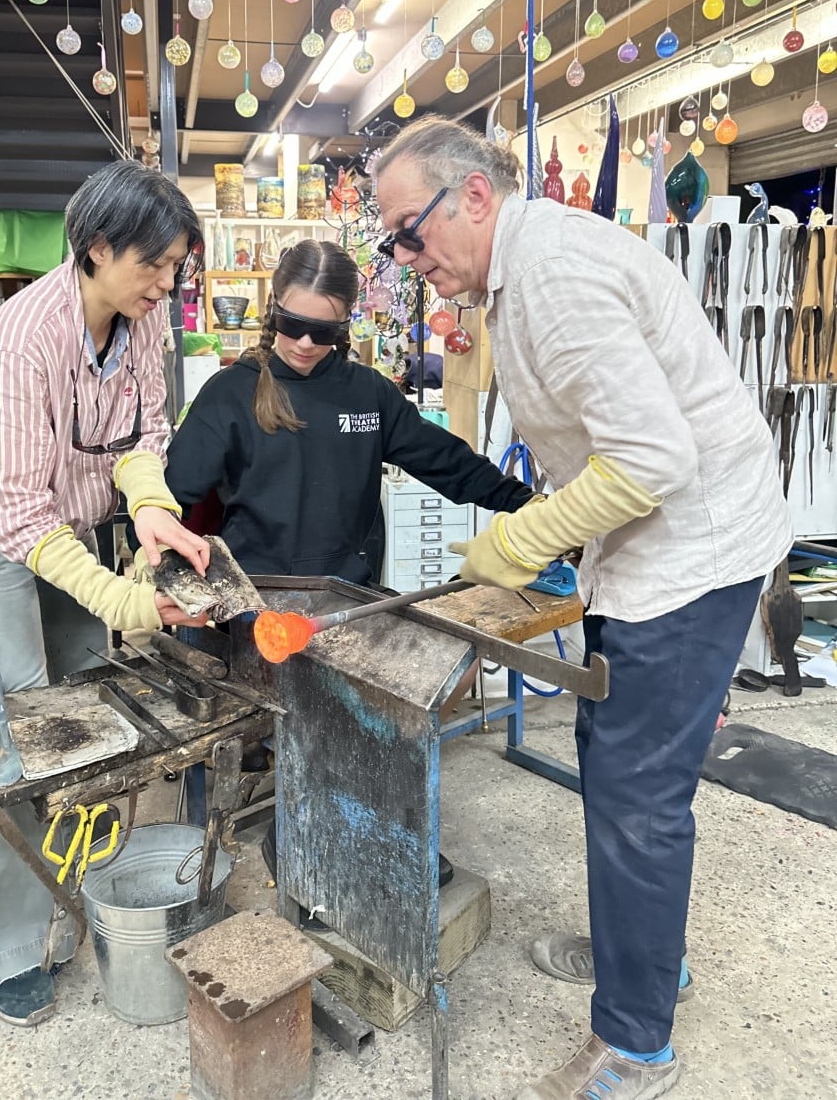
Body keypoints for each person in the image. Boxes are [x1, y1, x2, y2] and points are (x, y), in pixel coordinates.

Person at [373, 116, 793, 1100]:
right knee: (612, 770)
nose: (403, 255)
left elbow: (653, 460)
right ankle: (646, 964)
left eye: (408, 229)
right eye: (392, 239)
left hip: (690, 555)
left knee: (636, 797)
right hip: (646, 548)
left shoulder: (554, 273)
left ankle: (636, 1043)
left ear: (472, 196)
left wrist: (525, 539)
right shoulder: (517, 273)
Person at [0, 161, 211, 1027]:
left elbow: (145, 436)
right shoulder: (23, 339)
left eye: (177, 264)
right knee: (17, 736)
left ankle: (70, 904)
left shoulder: (144, 323)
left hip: (66, 526)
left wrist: (152, 512)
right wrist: (125, 601)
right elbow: (18, 516)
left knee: (90, 718)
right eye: (155, 263)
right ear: (97, 247)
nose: (167, 282)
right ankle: (3, 948)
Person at [163, 237, 536, 891]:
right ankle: (291, 842)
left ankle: (385, 836)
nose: (305, 344)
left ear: (347, 323)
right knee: (308, 722)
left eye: (324, 331)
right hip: (259, 605)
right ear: (271, 309)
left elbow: (443, 460)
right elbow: (168, 500)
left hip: (348, 599)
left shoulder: (368, 393)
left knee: (389, 715)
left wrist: (529, 510)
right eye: (292, 325)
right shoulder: (231, 395)